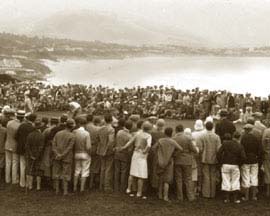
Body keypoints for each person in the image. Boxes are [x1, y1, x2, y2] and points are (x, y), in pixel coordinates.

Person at [120, 121, 152, 199]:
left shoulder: (137, 134)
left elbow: (130, 142)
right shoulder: (148, 136)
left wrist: (123, 147)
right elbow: (149, 145)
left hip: (135, 153)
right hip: (142, 155)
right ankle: (139, 192)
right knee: (140, 175)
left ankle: (128, 188)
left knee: (132, 172)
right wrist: (145, 151)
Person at [217, 132, 246, 203]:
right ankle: (235, 199)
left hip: (225, 164)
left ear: (233, 136)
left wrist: (221, 162)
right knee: (235, 181)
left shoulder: (225, 144)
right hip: (235, 165)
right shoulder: (240, 146)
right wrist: (239, 164)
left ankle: (227, 199)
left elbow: (219, 153)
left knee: (226, 180)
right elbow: (243, 157)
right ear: (239, 137)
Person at [156, 127, 183, 201]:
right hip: (169, 161)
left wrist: (159, 153)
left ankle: (160, 194)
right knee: (167, 180)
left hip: (161, 160)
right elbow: (181, 149)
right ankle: (165, 196)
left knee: (161, 178)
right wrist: (174, 154)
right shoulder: (172, 141)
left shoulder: (160, 140)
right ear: (172, 133)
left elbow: (153, 148)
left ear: (164, 133)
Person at [197, 121, 221, 199]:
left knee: (206, 176)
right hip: (214, 158)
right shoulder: (216, 137)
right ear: (212, 127)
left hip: (205, 158)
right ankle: (212, 193)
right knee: (213, 176)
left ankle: (206, 193)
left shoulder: (202, 136)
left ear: (205, 127)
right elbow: (218, 149)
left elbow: (200, 148)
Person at [173, 124, 198, 201]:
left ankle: (180, 196)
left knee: (178, 179)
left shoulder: (174, 138)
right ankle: (190, 196)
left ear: (176, 130)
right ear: (183, 130)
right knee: (188, 179)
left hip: (177, 160)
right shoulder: (188, 138)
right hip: (187, 160)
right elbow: (194, 150)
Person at [52, 119, 75, 195]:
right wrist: (62, 155)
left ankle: (57, 190)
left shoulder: (58, 133)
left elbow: (53, 144)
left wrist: (57, 154)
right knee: (66, 174)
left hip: (57, 156)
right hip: (66, 157)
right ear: (71, 126)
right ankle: (65, 191)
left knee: (57, 173)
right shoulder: (72, 135)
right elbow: (69, 148)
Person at [241, 123, 262, 201]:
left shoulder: (243, 138)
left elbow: (241, 149)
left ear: (246, 130)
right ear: (251, 130)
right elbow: (260, 149)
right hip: (254, 159)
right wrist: (257, 156)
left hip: (246, 159)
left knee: (245, 177)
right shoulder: (256, 138)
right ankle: (253, 196)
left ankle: (246, 197)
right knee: (254, 177)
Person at [15, 113, 36, 188]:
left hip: (21, 148)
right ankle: (27, 183)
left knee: (22, 165)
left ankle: (22, 182)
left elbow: (16, 136)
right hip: (28, 149)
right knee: (28, 166)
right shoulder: (33, 128)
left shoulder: (22, 125)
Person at [97, 114, 115, 193]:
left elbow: (97, 138)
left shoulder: (101, 129)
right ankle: (106, 186)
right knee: (108, 169)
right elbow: (111, 141)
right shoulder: (111, 129)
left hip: (101, 149)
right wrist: (110, 149)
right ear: (111, 120)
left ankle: (101, 185)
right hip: (107, 151)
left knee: (103, 168)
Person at [5, 110, 25, 185]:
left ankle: (7, 179)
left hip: (7, 144)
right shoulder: (20, 125)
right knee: (15, 163)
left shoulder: (9, 123)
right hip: (14, 145)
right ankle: (14, 179)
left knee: (8, 163)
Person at [25, 119, 45, 190]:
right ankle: (38, 186)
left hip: (30, 155)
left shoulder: (29, 135)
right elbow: (41, 147)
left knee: (29, 169)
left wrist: (31, 155)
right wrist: (36, 155)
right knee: (38, 170)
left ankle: (30, 185)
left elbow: (27, 146)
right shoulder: (41, 136)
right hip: (38, 156)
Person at [73, 117, 91, 193]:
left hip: (76, 153)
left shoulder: (74, 132)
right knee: (85, 171)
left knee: (77, 170)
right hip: (84, 153)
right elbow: (88, 146)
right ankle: (82, 188)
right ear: (85, 124)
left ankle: (74, 187)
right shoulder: (86, 133)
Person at [114, 120, 133, 192]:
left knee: (117, 170)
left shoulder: (119, 132)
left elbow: (116, 141)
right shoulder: (129, 136)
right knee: (123, 171)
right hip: (124, 154)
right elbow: (129, 148)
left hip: (117, 152)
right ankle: (122, 187)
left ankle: (116, 186)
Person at [85, 115, 101, 190]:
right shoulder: (97, 129)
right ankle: (91, 183)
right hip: (94, 147)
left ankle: (83, 182)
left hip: (83, 147)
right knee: (94, 165)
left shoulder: (84, 127)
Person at [262, 126, 270, 197]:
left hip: (268, 153)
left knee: (267, 172)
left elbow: (263, 142)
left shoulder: (266, 131)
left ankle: (268, 191)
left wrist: (265, 151)